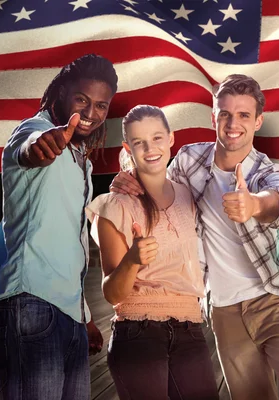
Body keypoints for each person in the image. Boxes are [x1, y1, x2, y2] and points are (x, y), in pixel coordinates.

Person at [110, 75, 279, 400]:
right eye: (225, 114)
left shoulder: (269, 172)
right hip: (223, 310)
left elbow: (275, 201)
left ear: (258, 121)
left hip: (275, 298)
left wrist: (252, 204)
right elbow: (153, 171)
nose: (233, 124)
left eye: (244, 115)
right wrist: (126, 176)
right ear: (214, 117)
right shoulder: (189, 160)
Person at [0, 54, 117, 400]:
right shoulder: (36, 131)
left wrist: (84, 315)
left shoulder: (79, 159)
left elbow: (72, 242)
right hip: (31, 302)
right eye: (82, 100)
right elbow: (29, 149)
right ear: (61, 94)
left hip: (68, 312)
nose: (90, 113)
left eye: (101, 105)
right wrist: (40, 148)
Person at [85, 105, 219, 400]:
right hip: (138, 332)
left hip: (190, 329)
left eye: (157, 138)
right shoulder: (114, 205)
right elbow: (112, 293)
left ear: (171, 139)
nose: (150, 148)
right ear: (127, 148)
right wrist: (132, 260)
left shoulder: (188, 194)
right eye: (139, 142)